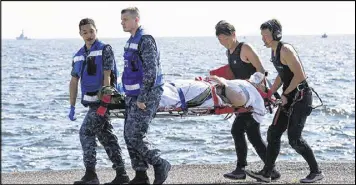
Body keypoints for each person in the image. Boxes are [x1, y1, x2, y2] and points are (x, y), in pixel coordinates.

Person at [245, 19, 324, 183]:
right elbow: (283, 74)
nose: (263, 38)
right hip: (288, 97)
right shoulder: (273, 52)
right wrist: (271, 92)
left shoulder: (286, 50)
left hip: (301, 98)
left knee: (294, 139)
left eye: (266, 35)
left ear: (276, 34)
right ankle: (267, 173)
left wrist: (286, 94)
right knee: (273, 133)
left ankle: (316, 172)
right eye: (262, 35)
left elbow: (301, 76)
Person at [214, 20, 280, 181]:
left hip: (254, 98)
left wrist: (250, 87)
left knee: (237, 130)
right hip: (242, 99)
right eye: (220, 40)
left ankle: (241, 168)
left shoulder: (245, 48)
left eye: (225, 38)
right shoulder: (229, 52)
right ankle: (272, 170)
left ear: (233, 34)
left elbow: (261, 71)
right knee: (253, 135)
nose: (223, 43)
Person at [69, 18, 129, 184]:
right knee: (106, 136)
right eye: (85, 32)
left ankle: (91, 175)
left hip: (105, 102)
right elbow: (74, 81)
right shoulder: (78, 56)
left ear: (96, 30)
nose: (89, 35)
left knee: (85, 132)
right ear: (80, 34)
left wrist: (105, 104)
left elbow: (107, 77)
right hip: (91, 104)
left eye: (91, 31)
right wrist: (72, 106)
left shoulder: (105, 49)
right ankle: (122, 174)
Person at [120, 7, 171, 184]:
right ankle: (141, 175)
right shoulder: (131, 40)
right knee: (128, 135)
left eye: (125, 19)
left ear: (136, 20)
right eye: (122, 20)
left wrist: (142, 97)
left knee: (135, 134)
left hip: (147, 94)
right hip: (132, 94)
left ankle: (159, 163)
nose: (122, 22)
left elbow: (151, 71)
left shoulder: (145, 39)